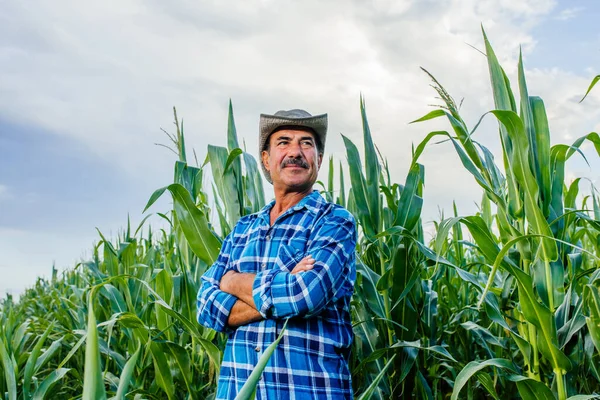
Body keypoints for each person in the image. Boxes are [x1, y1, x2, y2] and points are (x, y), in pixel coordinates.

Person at [197, 109, 357, 399]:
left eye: (306, 143)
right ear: (266, 160)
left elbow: (305, 295)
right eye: (283, 142)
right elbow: (205, 306)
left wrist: (232, 283)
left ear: (318, 160)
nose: (295, 151)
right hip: (237, 391)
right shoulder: (242, 230)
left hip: (307, 390)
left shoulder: (334, 221)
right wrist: (283, 284)